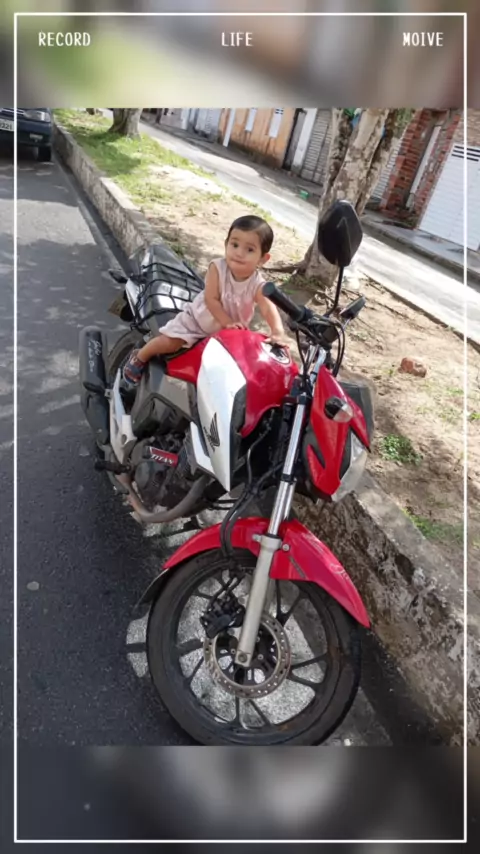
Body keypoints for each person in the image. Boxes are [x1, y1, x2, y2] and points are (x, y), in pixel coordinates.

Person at [123, 214, 289, 386]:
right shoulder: (217, 268)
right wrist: (228, 322)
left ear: (263, 259)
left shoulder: (257, 284)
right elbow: (211, 300)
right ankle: (140, 356)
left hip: (227, 335)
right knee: (170, 342)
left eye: (249, 250)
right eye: (234, 245)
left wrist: (277, 332)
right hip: (197, 322)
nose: (239, 253)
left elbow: (268, 307)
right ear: (226, 244)